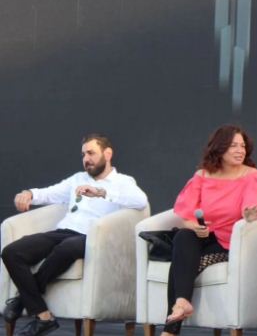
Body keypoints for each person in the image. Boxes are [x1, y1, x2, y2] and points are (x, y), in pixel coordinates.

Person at [1, 133, 148, 336]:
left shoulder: (123, 181)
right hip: (63, 232)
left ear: (107, 154)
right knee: (12, 252)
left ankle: (21, 300)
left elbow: (140, 201)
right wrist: (30, 194)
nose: (86, 159)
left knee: (67, 247)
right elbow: (50, 193)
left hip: (92, 238)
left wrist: (101, 192)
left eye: (91, 153)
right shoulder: (77, 179)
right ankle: (43, 316)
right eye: (83, 154)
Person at [161, 125, 257, 336]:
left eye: (242, 146)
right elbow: (186, 215)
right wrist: (196, 227)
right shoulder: (202, 175)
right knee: (183, 236)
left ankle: (170, 329)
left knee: (181, 264)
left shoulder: (251, 175)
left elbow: (251, 205)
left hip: (229, 241)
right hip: (204, 236)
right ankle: (181, 303)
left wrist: (250, 214)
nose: (240, 150)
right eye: (233, 146)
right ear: (219, 148)